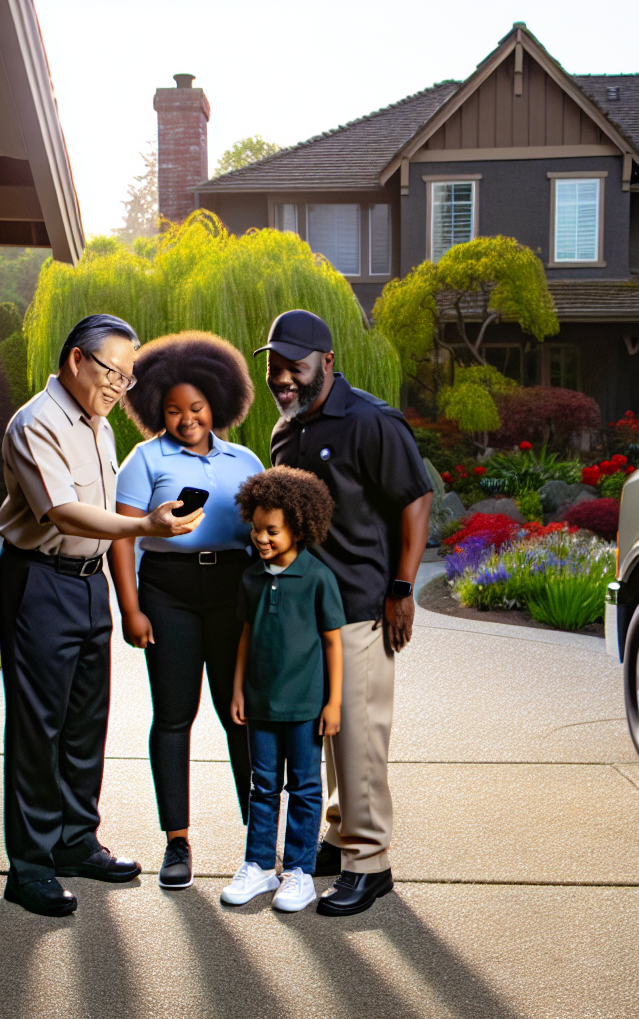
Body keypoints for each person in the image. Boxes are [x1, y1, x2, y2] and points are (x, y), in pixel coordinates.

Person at [0, 313, 202, 918]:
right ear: (77, 360)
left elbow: (102, 514)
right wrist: (143, 525)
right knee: (40, 728)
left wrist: (120, 585)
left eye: (129, 377)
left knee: (86, 721)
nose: (120, 386)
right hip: (38, 583)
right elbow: (61, 512)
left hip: (88, 586)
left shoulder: (100, 426)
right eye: (114, 371)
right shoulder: (36, 423)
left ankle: (75, 843)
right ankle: (29, 869)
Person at [259, 309, 433, 917]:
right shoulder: (285, 432)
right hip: (309, 612)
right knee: (327, 733)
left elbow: (415, 501)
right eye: (276, 367)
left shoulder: (370, 422)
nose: (283, 377)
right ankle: (338, 836)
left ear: (327, 363)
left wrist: (403, 586)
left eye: (295, 366)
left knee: (359, 737)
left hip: (362, 605)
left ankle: (370, 863)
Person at [108, 332, 264, 891]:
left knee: (239, 715)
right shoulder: (144, 459)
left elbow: (265, 534)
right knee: (174, 718)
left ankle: (260, 837)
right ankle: (177, 841)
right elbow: (123, 538)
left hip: (231, 590)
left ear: (216, 403)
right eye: (173, 410)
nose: (186, 419)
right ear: (156, 409)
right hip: (166, 592)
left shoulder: (245, 460)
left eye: (195, 407)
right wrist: (131, 609)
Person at [220, 466, 344, 912]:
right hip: (260, 703)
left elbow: (333, 641)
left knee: (306, 787)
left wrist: (333, 702)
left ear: (298, 526)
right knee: (263, 784)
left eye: (271, 530)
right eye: (256, 530)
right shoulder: (252, 578)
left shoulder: (317, 578)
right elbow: (247, 637)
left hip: (307, 706)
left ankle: (299, 872)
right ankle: (258, 866)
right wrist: (237, 691)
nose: (261, 538)